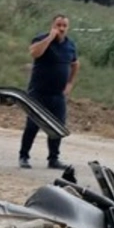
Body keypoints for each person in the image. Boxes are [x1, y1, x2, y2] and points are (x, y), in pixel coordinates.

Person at [18, 14, 79, 171]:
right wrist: (49, 38)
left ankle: (53, 158)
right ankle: (24, 156)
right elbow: (34, 53)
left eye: (64, 25)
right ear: (52, 25)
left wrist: (70, 83)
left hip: (58, 94)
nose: (61, 28)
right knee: (32, 125)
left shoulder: (70, 45)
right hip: (38, 92)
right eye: (58, 25)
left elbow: (75, 64)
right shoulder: (41, 39)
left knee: (57, 126)